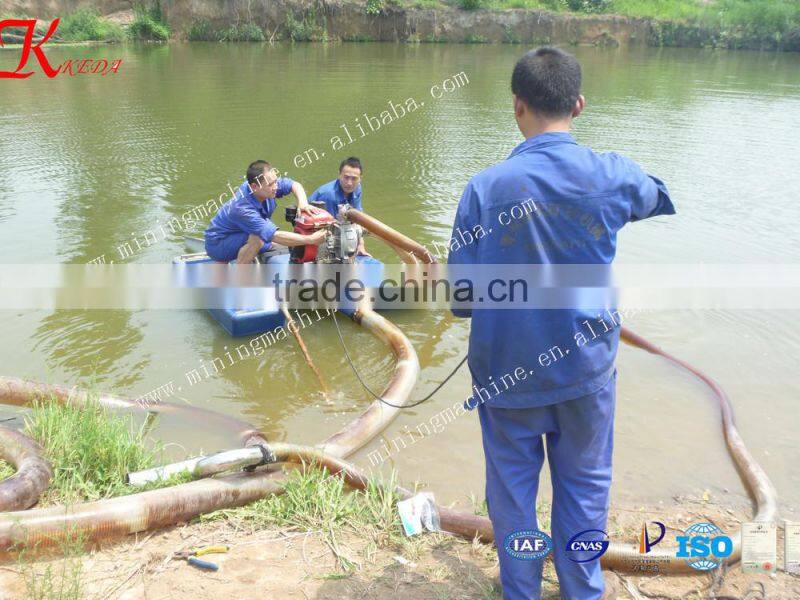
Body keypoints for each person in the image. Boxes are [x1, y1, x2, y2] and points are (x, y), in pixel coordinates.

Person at [448, 47, 675, 600]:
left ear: (517, 106)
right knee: (584, 486)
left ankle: (521, 591)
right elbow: (657, 195)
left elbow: (461, 300)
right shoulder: (612, 173)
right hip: (585, 369)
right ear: (578, 104)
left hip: (507, 377)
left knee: (513, 491)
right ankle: (581, 589)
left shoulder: (484, 189)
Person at [204, 161, 326, 264]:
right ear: (254, 187)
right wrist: (311, 239)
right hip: (219, 243)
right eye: (270, 184)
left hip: (241, 230)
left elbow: (294, 185)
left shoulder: (267, 186)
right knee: (258, 238)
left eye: (275, 181)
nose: (275, 187)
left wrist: (303, 203)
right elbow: (274, 235)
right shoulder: (242, 208)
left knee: (266, 237)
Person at [309, 157, 369, 256]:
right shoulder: (329, 194)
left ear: (360, 179)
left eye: (354, 178)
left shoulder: (357, 188)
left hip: (336, 227)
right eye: (346, 177)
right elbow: (329, 228)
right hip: (315, 230)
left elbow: (357, 219)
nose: (349, 183)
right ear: (339, 175)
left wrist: (360, 245)